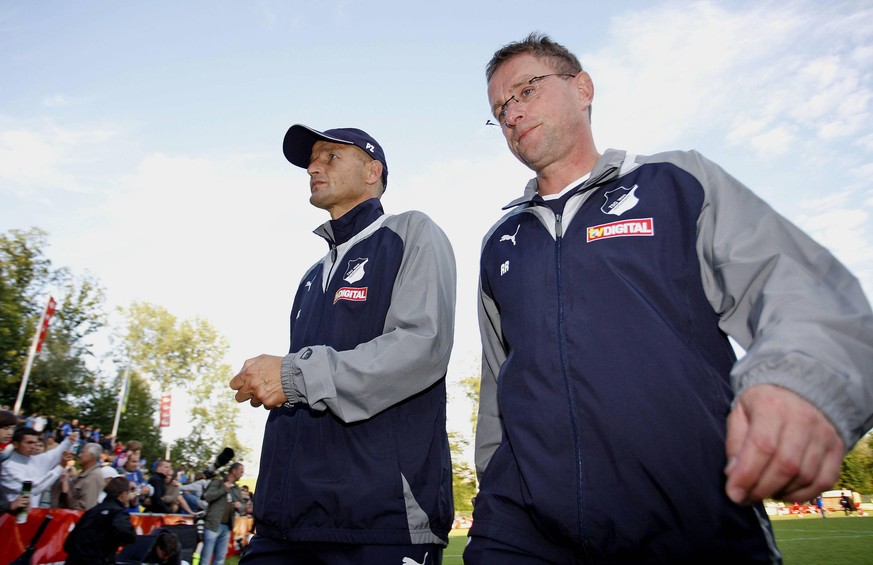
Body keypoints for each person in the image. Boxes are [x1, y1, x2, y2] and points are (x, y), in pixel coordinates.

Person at [468, 33, 873, 564]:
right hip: (522, 531)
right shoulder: (501, 241)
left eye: (526, 90)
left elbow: (798, 290)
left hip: (689, 519)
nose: (513, 113)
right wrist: (494, 480)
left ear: (582, 87)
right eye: (500, 109)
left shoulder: (676, 182)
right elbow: (499, 382)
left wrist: (799, 383)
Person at [230, 124, 456, 564]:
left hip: (378, 520)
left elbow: (421, 346)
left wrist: (292, 374)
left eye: (331, 156)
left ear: (373, 171)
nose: (314, 166)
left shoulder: (410, 232)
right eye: (312, 159)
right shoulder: (310, 276)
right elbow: (302, 385)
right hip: (286, 524)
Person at [63, 475, 138, 564]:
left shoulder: (92, 511)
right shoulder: (117, 513)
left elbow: (70, 541)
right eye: (129, 493)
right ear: (123, 495)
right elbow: (127, 533)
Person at [0, 426, 76, 508]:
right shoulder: (8, 467)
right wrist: (61, 466)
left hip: (33, 514)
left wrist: (69, 441)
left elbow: (56, 453)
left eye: (34, 443)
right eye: (29, 443)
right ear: (16, 444)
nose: (33, 446)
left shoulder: (36, 459)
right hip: (8, 516)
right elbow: (33, 489)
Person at [200, 462, 245, 565]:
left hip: (227, 527)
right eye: (241, 471)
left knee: (220, 559)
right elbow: (208, 497)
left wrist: (240, 506)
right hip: (213, 524)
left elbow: (243, 506)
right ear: (233, 471)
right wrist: (223, 489)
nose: (242, 474)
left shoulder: (236, 489)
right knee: (206, 559)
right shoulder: (217, 482)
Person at [68, 441, 104, 510]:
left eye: (82, 452)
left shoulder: (93, 477)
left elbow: (85, 507)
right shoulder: (85, 474)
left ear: (91, 456)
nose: (79, 455)